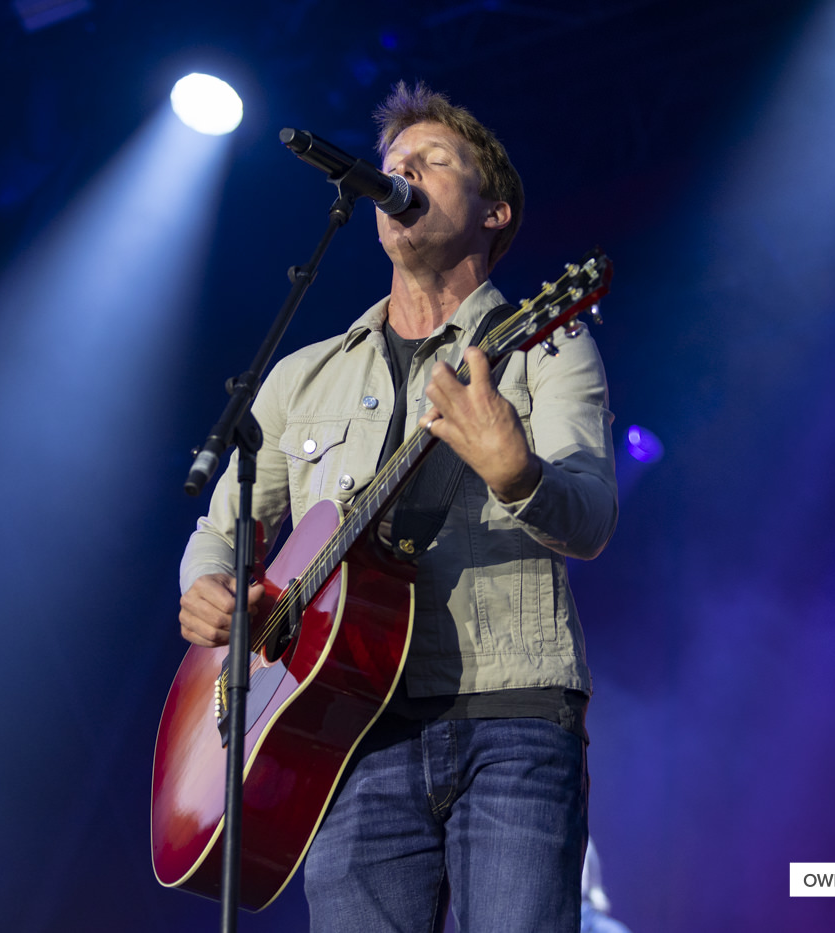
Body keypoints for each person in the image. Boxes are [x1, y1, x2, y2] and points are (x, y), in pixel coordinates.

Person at [178, 80, 618, 932]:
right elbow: (220, 533)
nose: (403, 172)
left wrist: (517, 473)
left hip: (511, 713)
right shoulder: (303, 376)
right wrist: (208, 590)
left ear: (494, 213)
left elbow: (592, 518)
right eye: (393, 163)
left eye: (433, 160)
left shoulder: (546, 345)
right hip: (345, 735)